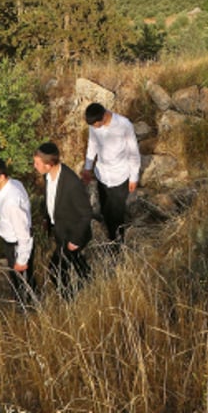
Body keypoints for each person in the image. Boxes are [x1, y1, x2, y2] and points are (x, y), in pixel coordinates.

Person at [34, 141, 93, 296]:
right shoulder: (48, 176)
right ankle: (89, 287)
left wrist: (75, 239)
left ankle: (70, 300)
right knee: (77, 263)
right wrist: (47, 219)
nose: (35, 166)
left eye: (37, 163)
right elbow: (51, 200)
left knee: (55, 271)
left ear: (49, 164)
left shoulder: (71, 183)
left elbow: (86, 213)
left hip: (73, 234)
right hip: (60, 230)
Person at [0, 158, 36, 307]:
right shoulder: (11, 185)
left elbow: (23, 232)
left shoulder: (12, 201)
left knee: (23, 285)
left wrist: (22, 260)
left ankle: (30, 313)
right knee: (21, 283)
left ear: (1, 177)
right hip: (11, 242)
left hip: (17, 246)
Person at [81, 103, 141, 244]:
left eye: (96, 125)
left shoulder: (124, 125)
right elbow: (92, 145)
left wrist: (134, 177)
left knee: (117, 214)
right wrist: (87, 168)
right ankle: (110, 237)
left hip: (120, 177)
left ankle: (118, 244)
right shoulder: (94, 125)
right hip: (102, 175)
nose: (94, 128)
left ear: (103, 117)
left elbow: (134, 152)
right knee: (105, 210)